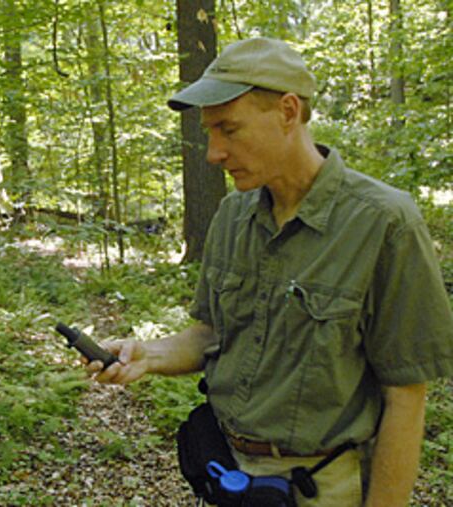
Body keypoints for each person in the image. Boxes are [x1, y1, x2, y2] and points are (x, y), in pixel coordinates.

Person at [84, 38, 453, 506]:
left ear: (287, 110)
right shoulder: (233, 216)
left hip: (322, 486)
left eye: (229, 129)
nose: (213, 153)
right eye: (209, 133)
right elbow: (212, 333)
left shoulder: (383, 223)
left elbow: (406, 396)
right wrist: (148, 355)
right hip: (228, 476)